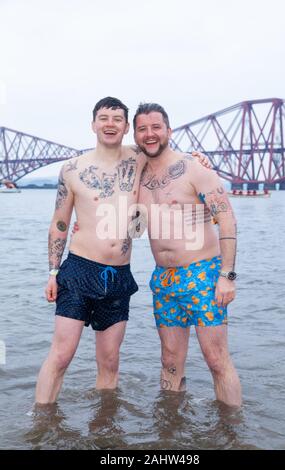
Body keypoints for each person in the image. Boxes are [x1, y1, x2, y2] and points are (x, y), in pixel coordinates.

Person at [35, 97, 208, 404]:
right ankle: (39, 424)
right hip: (78, 271)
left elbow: (169, 153)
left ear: (126, 127)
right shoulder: (73, 169)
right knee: (61, 356)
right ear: (93, 124)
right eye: (104, 118)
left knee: (110, 361)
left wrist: (199, 158)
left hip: (118, 275)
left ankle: (104, 428)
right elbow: (59, 223)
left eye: (117, 119)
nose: (110, 124)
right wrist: (52, 271)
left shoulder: (140, 158)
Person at [133, 103, 242, 408]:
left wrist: (227, 276)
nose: (150, 134)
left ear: (169, 130)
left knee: (216, 359)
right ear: (136, 135)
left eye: (156, 127)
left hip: (203, 274)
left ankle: (233, 433)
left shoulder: (195, 168)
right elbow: (136, 231)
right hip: (163, 279)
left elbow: (228, 220)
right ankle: (170, 428)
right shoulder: (137, 178)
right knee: (169, 359)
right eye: (142, 129)